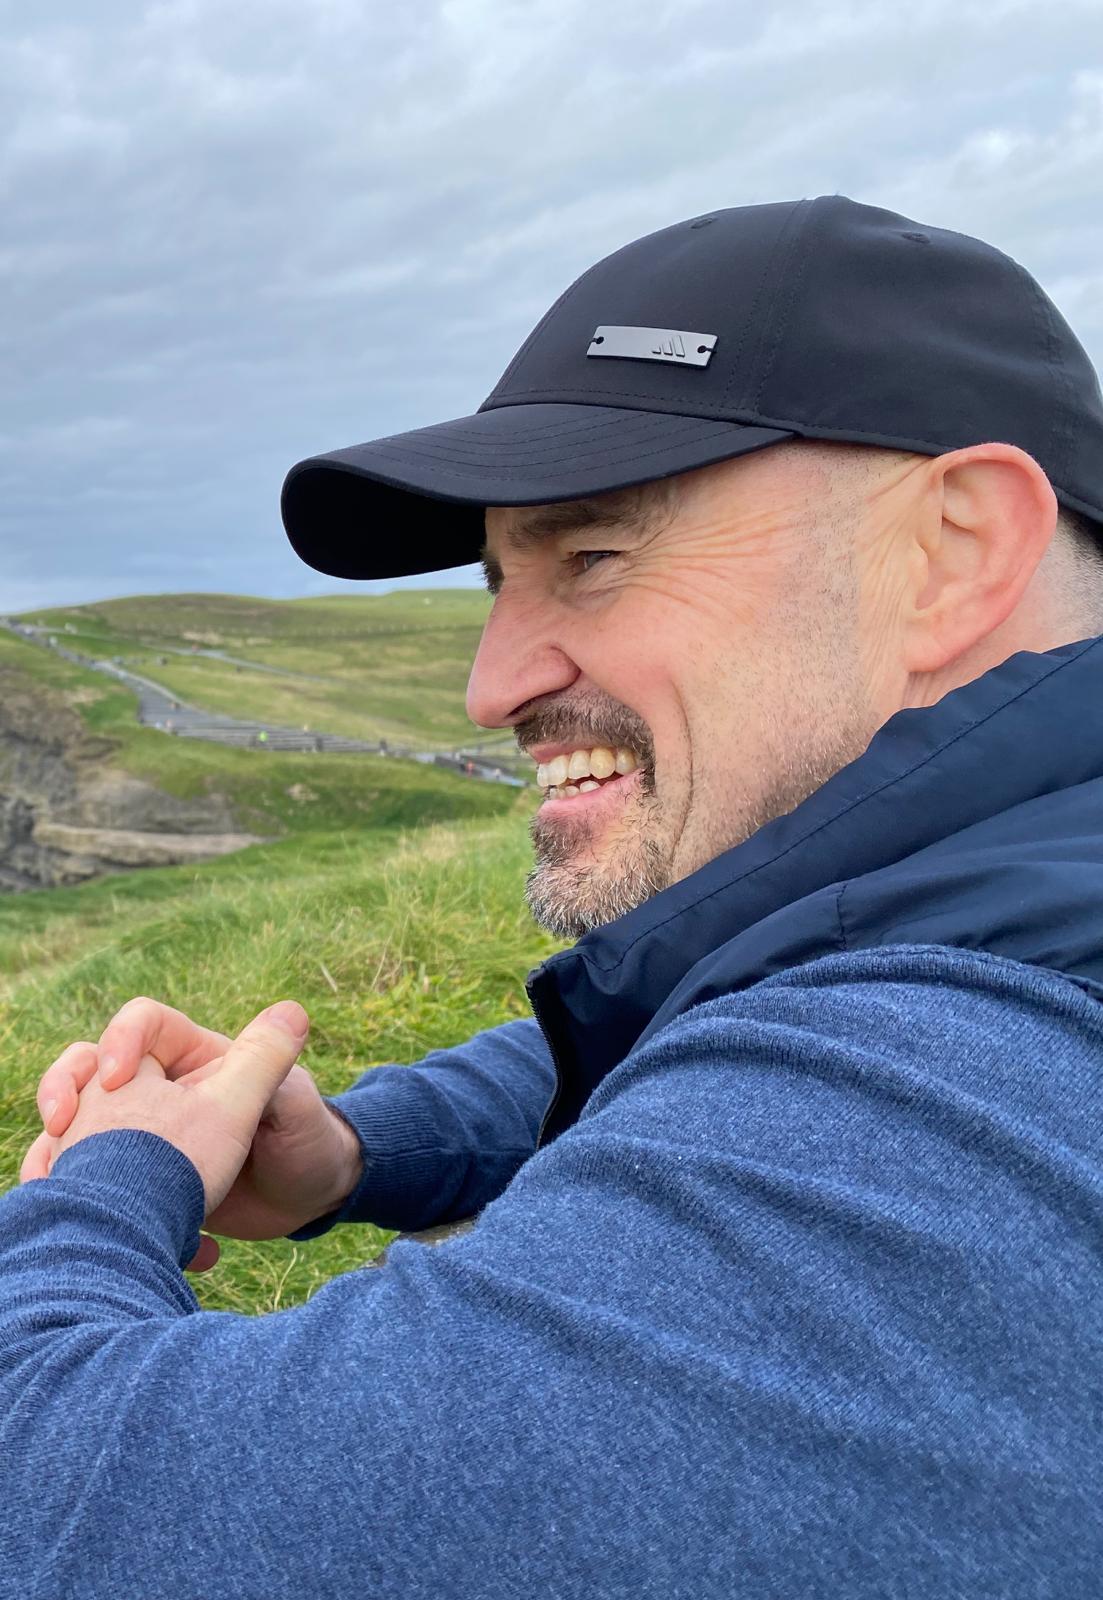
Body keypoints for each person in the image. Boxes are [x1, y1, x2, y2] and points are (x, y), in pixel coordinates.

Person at [6, 196, 1103, 1597]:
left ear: (955, 550)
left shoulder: (951, 1106)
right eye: (498, 583)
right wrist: (356, 1149)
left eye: (593, 557)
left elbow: (79, 1510)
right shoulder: (1004, 888)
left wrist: (115, 1181)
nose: (490, 687)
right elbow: (712, 999)